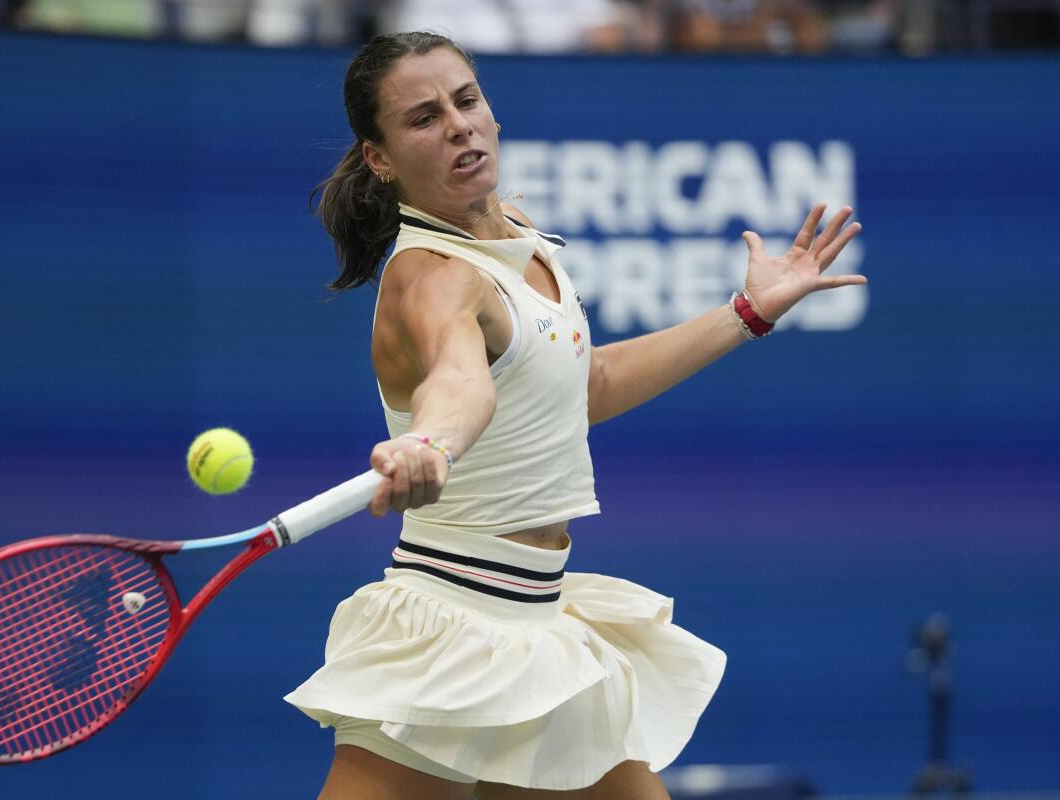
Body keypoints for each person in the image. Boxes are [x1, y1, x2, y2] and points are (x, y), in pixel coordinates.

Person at [283, 31, 865, 799]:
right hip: (449, 631)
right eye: (423, 118)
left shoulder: (523, 243)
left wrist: (747, 312)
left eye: (466, 100)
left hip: (539, 625)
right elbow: (460, 381)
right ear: (380, 157)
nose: (458, 124)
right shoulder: (431, 276)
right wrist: (431, 440)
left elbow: (586, 387)